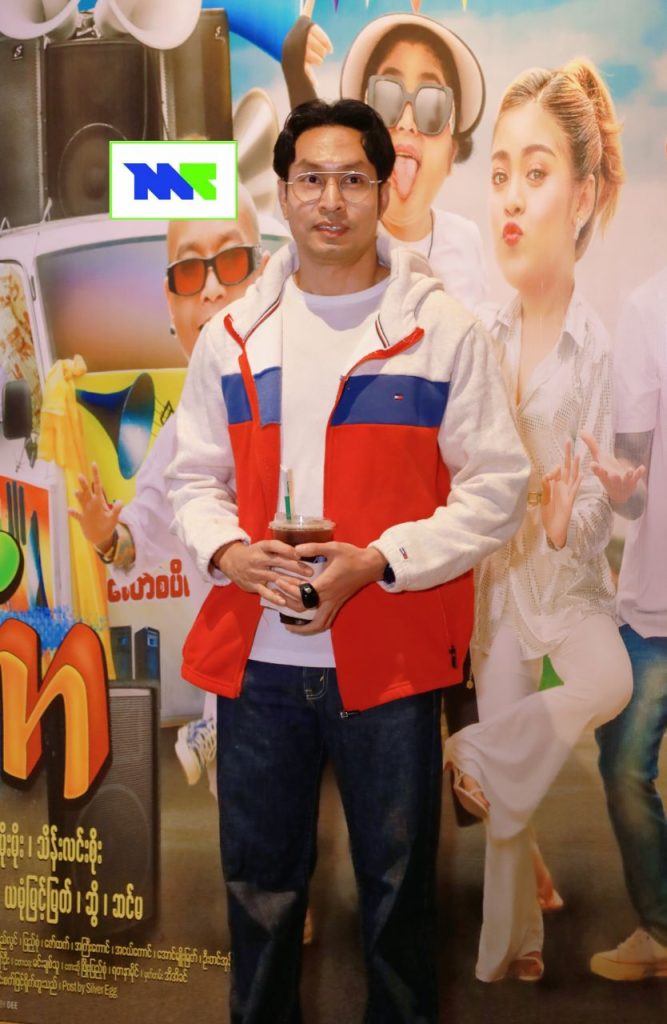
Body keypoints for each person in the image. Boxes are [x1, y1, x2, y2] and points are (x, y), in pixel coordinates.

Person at [167, 98, 529, 1023]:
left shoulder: (442, 332)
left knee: (398, 900)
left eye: (352, 179)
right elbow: (191, 478)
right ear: (283, 193)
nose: (330, 200)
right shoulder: (232, 336)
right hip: (258, 669)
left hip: (391, 662)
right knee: (259, 895)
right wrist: (229, 550)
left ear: (383, 188)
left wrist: (379, 561)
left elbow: (497, 486)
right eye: (310, 180)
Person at [442, 60, 633, 983]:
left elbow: (599, 502)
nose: (510, 198)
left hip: (566, 587)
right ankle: (509, 946)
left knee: (607, 680)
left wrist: (565, 522)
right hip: (495, 593)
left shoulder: (599, 350)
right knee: (508, 804)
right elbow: (457, 468)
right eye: (498, 175)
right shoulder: (476, 335)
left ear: (583, 195)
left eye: (536, 172)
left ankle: (472, 752)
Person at [69, 187, 266, 788]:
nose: (211, 288)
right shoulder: (180, 435)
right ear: (170, 302)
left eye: (230, 261)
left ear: (264, 273)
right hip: (242, 683)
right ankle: (216, 725)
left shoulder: (312, 386)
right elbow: (142, 534)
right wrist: (107, 537)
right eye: (188, 271)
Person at [583, 155, 667, 978]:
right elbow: (635, 493)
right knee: (621, 769)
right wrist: (618, 491)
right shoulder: (647, 310)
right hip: (655, 607)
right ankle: (661, 931)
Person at [282, 10, 487, 310]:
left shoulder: (465, 240)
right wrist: (296, 76)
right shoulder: (336, 228)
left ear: (452, 153)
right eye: (387, 97)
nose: (406, 122)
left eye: (433, 105)